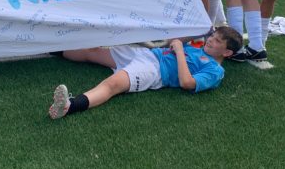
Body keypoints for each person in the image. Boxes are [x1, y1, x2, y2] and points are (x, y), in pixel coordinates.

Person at [48, 27, 243, 119]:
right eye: (212, 36)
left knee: (112, 85)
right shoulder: (200, 48)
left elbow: (187, 82)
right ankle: (47, 46)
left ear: (227, 53)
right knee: (93, 52)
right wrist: (194, 32)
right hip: (148, 55)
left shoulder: (215, 71)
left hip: (154, 71)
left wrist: (179, 51)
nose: (211, 40)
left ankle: (68, 106)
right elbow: (170, 43)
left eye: (217, 41)